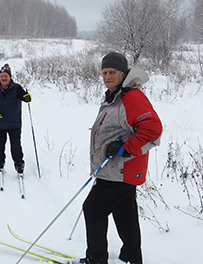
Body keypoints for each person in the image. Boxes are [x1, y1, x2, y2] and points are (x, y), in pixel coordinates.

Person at [78, 52, 162, 264]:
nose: (107, 76)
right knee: (125, 215)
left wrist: (126, 148)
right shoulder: (117, 96)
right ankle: (132, 258)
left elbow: (153, 130)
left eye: (112, 72)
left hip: (120, 170)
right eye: (104, 72)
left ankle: (96, 259)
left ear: (124, 73)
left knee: (93, 210)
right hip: (120, 171)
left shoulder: (132, 97)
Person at [0, 63, 32, 174]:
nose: (3, 78)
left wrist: (27, 97)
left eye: (5, 76)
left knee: (16, 146)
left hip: (14, 124)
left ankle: (19, 165)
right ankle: (0, 163)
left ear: (10, 77)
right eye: (1, 76)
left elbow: (24, 96)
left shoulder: (17, 88)